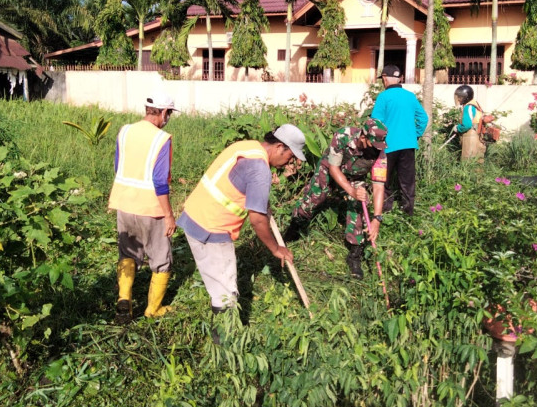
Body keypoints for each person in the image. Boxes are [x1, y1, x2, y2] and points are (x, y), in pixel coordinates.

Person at [177, 124, 305, 318]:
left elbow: (241, 182)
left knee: (216, 282)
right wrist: (276, 249)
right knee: (225, 296)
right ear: (280, 147)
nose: (290, 163)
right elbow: (257, 221)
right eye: (290, 156)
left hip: (193, 216)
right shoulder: (260, 170)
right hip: (212, 229)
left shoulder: (247, 146)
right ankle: (224, 333)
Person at [109, 93, 179, 324]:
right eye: (169, 114)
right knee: (161, 259)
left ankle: (124, 301)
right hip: (151, 207)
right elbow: (160, 181)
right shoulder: (162, 139)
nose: (168, 118)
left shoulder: (125, 131)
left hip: (124, 203)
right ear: (164, 112)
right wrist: (169, 215)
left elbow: (118, 166)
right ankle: (153, 309)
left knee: (128, 254)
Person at [289, 118, 388, 279]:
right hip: (330, 168)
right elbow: (334, 168)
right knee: (314, 197)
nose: (376, 149)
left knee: (358, 205)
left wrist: (377, 218)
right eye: (373, 144)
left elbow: (378, 186)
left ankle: (354, 255)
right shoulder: (343, 136)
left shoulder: (380, 153)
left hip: (355, 176)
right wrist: (350, 190)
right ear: (363, 137)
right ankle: (295, 226)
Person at [371, 64, 428, 215]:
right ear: (400, 78)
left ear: (385, 78)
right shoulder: (410, 96)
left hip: (388, 146)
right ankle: (408, 213)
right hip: (408, 145)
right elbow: (423, 118)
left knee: (385, 180)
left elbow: (375, 123)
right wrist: (415, 135)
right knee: (407, 181)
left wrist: (375, 144)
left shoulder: (383, 97)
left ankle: (385, 212)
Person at [453, 85, 486, 162]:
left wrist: (457, 128)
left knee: (467, 161)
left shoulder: (468, 107)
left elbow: (467, 125)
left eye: (460, 97)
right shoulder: (475, 104)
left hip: (471, 137)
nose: (458, 99)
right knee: (478, 161)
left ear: (466, 97)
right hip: (478, 135)